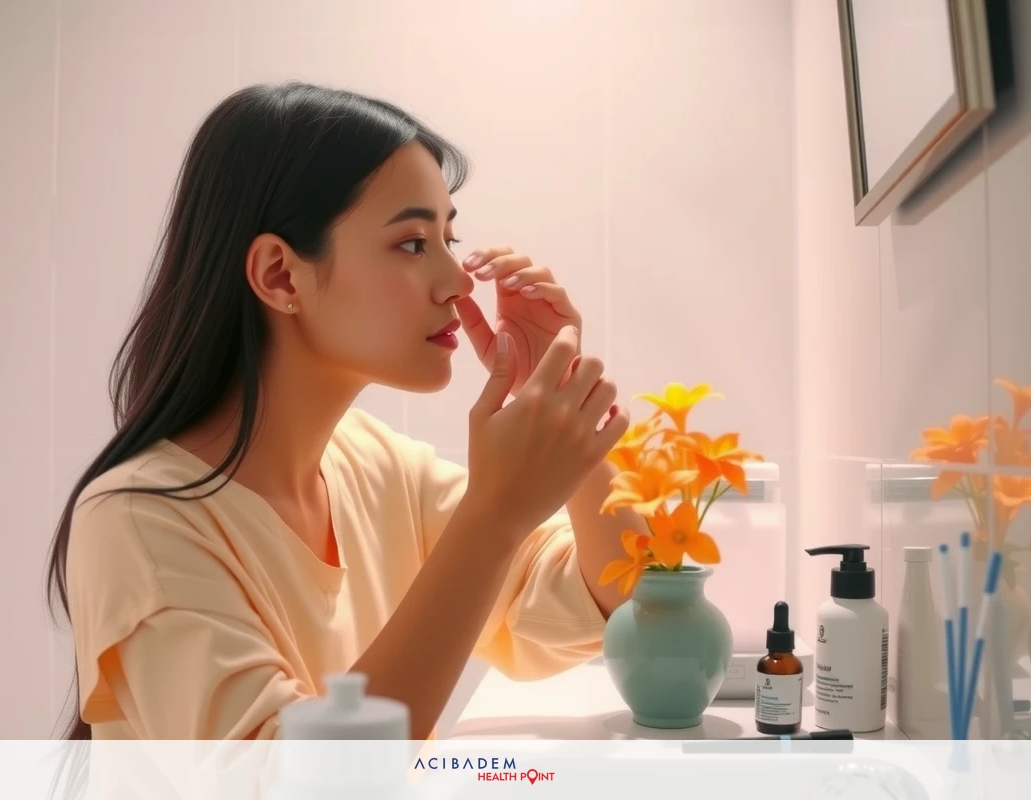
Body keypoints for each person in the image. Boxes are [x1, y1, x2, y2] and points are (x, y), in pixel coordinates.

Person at [45, 82, 644, 741]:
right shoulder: (137, 519)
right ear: (280, 274)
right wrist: (492, 515)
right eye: (414, 244)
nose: (458, 282)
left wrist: (558, 398)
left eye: (450, 238)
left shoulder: (371, 463)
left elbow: (612, 600)